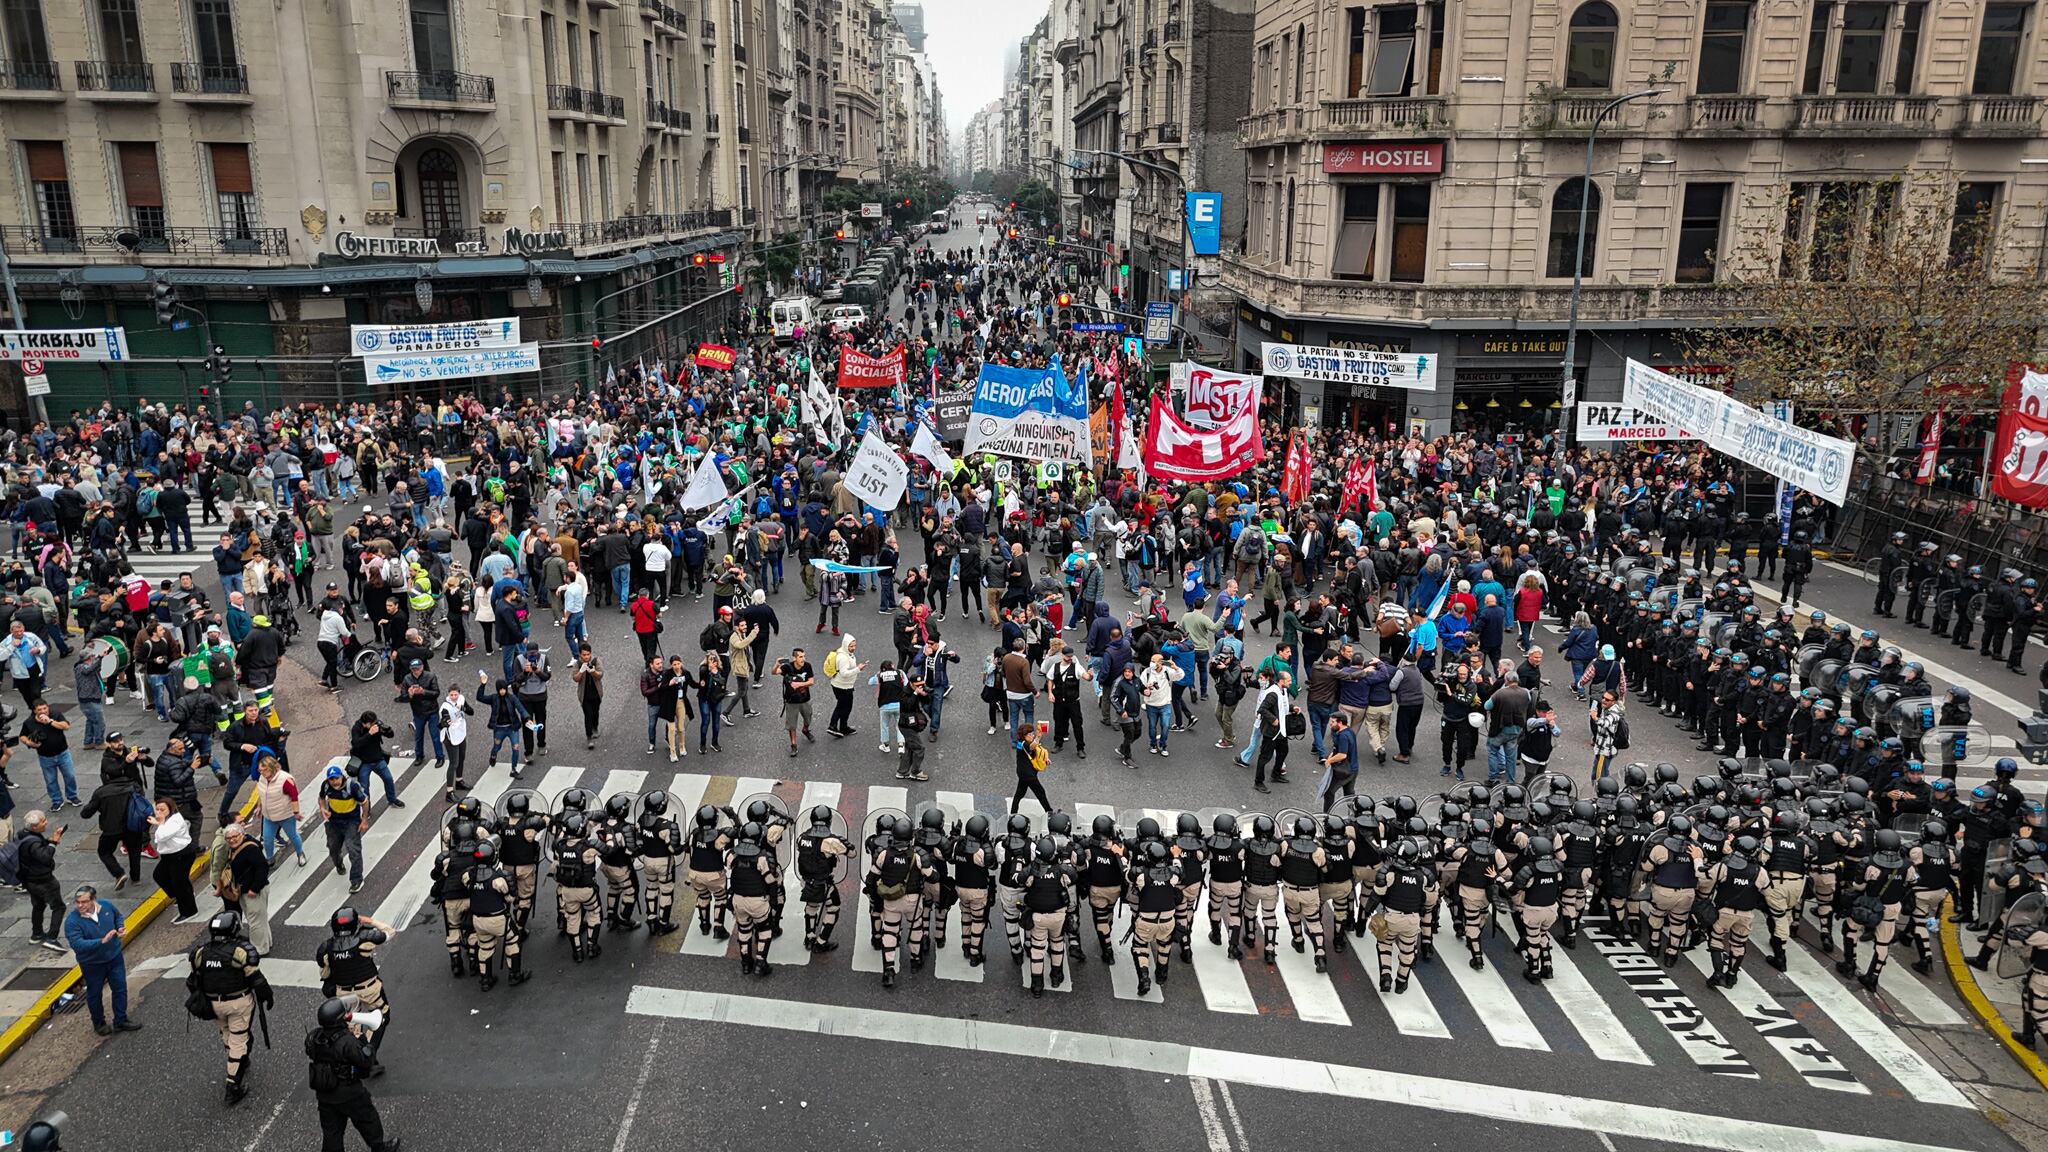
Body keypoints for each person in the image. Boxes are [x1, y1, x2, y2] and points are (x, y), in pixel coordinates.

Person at [188, 910, 271, 1106]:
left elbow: (194, 978)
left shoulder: (201, 953)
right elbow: (256, 978)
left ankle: (238, 1061)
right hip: (238, 1002)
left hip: (213, 1004)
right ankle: (233, 1085)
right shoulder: (240, 951)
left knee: (227, 1033)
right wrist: (267, 995)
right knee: (239, 1039)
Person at [306, 997, 403, 1152]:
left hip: (325, 1094)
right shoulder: (347, 1042)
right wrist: (363, 1041)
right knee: (368, 1120)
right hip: (350, 1093)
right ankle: (379, 1148)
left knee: (332, 1132)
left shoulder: (314, 1037)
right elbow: (366, 1061)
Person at [64, 883, 141, 1036]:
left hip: (114, 957)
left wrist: (120, 927)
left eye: (84, 902)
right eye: (78, 902)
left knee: (120, 988)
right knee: (95, 993)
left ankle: (121, 1020)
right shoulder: (72, 922)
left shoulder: (106, 906)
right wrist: (101, 941)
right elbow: (77, 944)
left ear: (93, 900)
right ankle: (99, 1023)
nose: (80, 905)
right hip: (92, 964)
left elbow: (118, 916)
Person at [217, 822, 273, 957]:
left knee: (255, 922)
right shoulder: (236, 848)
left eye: (235, 836)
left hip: (253, 891)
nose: (232, 840)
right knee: (259, 919)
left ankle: (259, 949)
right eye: (228, 838)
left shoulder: (250, 849)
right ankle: (266, 943)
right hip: (245, 891)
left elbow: (262, 868)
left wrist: (254, 888)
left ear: (242, 834)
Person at [18, 811, 65, 951]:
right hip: (43, 880)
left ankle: (37, 934)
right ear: (34, 827)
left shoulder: (23, 835)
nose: (46, 823)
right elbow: (44, 857)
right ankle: (52, 938)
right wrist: (53, 844)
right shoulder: (34, 842)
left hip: (29, 880)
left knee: (38, 905)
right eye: (43, 821)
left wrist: (50, 841)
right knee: (59, 907)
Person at [149, 798, 202, 922]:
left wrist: (159, 824)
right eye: (157, 809)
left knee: (180, 882)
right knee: (159, 875)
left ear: (170, 809)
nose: (159, 812)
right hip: (169, 855)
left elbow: (161, 837)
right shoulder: (166, 820)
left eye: (162, 809)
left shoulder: (175, 821)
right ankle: (181, 896)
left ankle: (189, 911)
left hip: (182, 855)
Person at [1318, 712, 1358, 812]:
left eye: (1332, 722)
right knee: (1349, 794)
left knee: (1329, 792)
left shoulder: (1343, 736)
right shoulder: (1349, 731)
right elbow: (1339, 749)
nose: (1330, 724)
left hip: (1344, 771)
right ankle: (1357, 814)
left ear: (1340, 723)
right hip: (1353, 769)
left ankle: (1327, 817)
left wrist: (1329, 761)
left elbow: (1342, 755)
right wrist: (1332, 754)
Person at [1010, 724, 1053, 815]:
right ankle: (1049, 812)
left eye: (1033, 734)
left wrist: (1045, 759)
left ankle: (1013, 813)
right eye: (1030, 734)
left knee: (1020, 793)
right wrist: (1038, 737)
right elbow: (1032, 747)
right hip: (1028, 774)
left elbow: (1037, 751)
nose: (1032, 735)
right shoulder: (1023, 744)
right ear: (1024, 736)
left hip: (1023, 773)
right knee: (1040, 792)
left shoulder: (1023, 743)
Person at [572, 642, 604, 749]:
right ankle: (589, 737)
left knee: (595, 712)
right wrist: (581, 671)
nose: (586, 657)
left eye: (588, 654)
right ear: (580, 655)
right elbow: (575, 678)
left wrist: (593, 671)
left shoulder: (595, 661)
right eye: (584, 655)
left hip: (596, 694)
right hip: (584, 695)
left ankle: (595, 727)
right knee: (588, 715)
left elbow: (600, 675)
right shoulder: (578, 664)